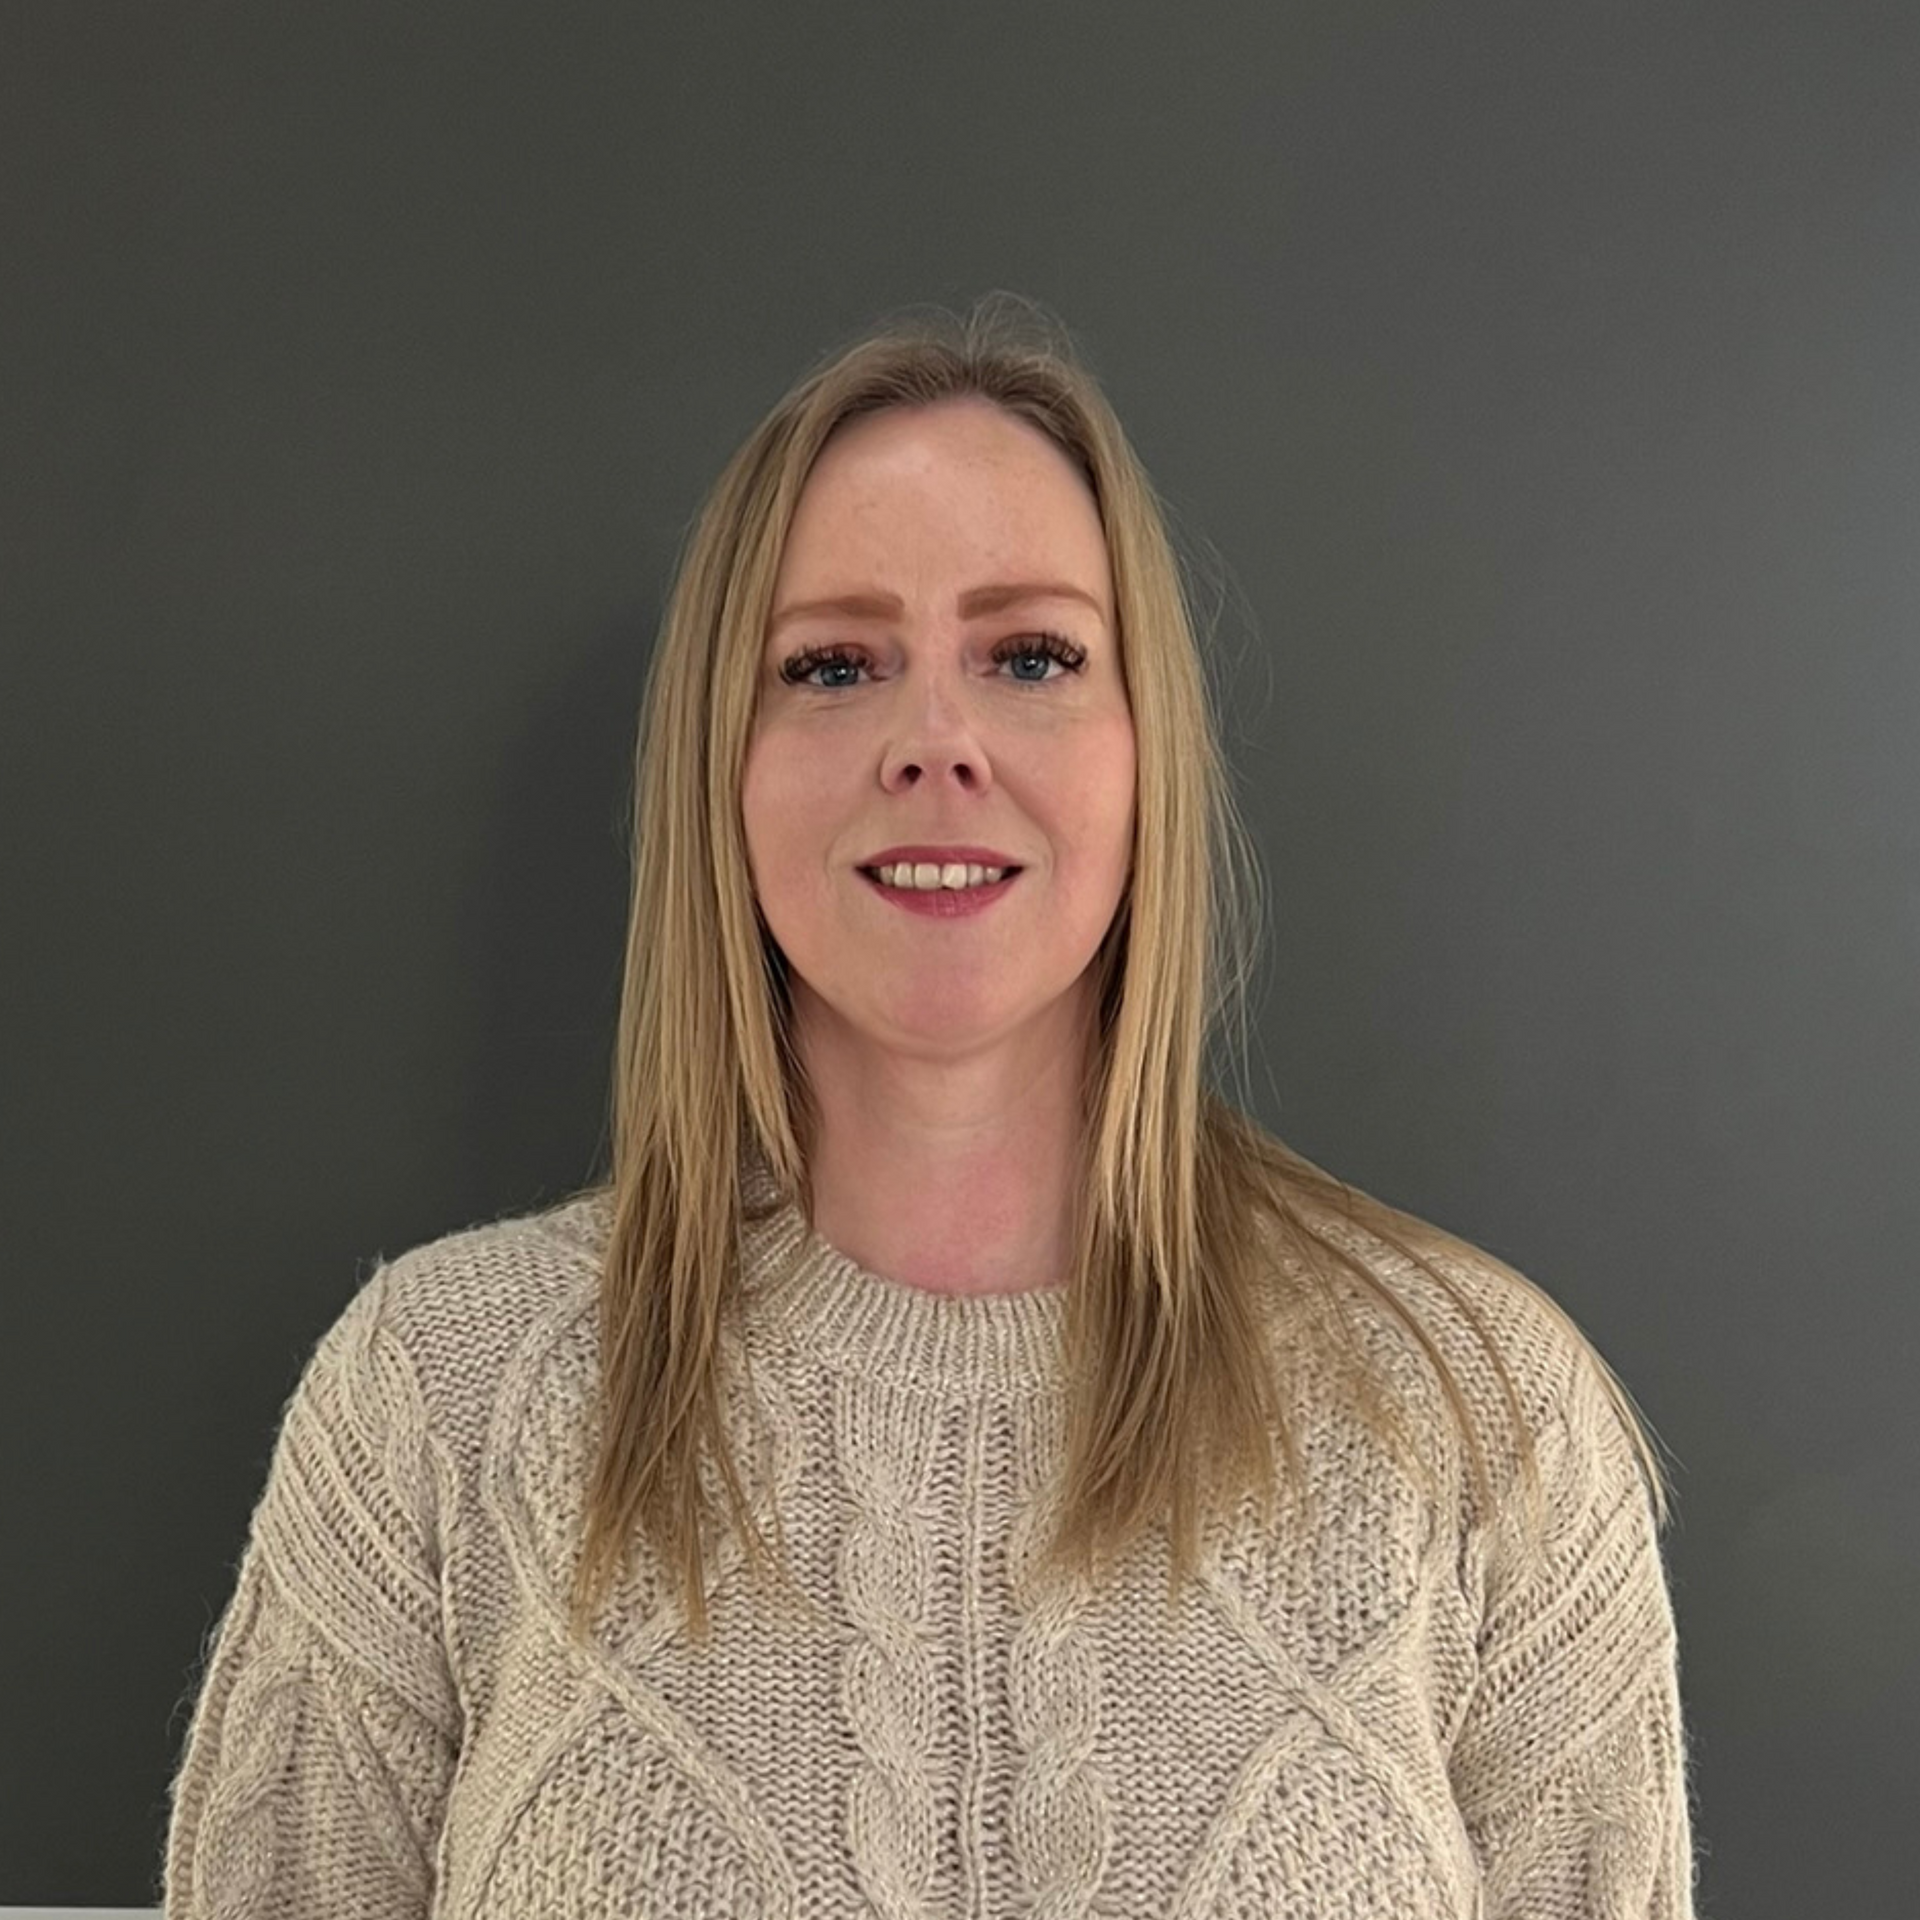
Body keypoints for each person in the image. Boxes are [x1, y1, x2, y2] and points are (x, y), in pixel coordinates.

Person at [163, 299, 1699, 1917]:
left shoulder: (1474, 1413)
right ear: (723, 770)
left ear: (1142, 750)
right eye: (833, 665)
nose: (934, 742)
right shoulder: (439, 1401)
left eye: (1030, 655)